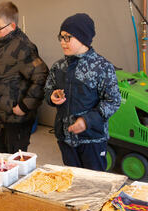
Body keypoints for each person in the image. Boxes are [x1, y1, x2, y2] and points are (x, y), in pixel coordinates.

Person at [45, 13, 121, 171]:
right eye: (61, 37)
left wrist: (87, 121)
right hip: (65, 138)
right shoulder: (58, 67)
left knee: (95, 183)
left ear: (83, 38)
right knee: (72, 180)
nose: (62, 42)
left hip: (92, 139)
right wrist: (52, 97)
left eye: (68, 37)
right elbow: (48, 89)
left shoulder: (102, 67)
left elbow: (113, 101)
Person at [0, 1, 48, 153]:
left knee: (16, 164)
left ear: (12, 26)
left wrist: (24, 106)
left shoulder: (24, 47)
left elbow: (41, 76)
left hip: (16, 120)